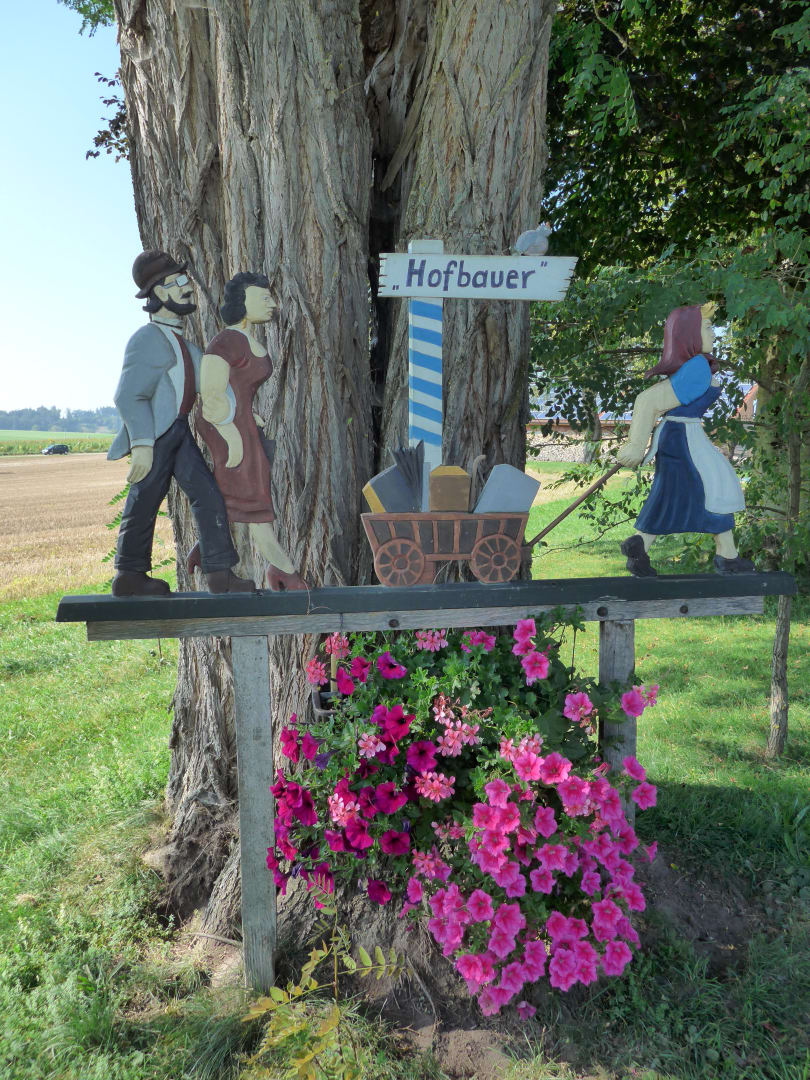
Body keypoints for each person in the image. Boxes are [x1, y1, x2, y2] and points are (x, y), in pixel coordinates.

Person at [108, 251, 255, 596]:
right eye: (178, 282)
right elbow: (128, 395)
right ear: (159, 293)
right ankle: (128, 575)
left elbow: (212, 384)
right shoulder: (146, 340)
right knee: (144, 499)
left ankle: (219, 574)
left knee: (208, 496)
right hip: (157, 435)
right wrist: (142, 444)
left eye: (185, 280)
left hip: (179, 431)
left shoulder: (185, 345)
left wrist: (237, 411)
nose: (188, 287)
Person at [616, 303, 754, 577]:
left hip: (681, 435)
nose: (713, 334)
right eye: (707, 327)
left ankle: (641, 545)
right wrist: (636, 445)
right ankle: (726, 556)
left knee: (678, 492)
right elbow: (648, 400)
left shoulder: (694, 366)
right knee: (713, 486)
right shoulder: (697, 367)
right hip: (682, 436)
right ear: (690, 333)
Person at [193, 271, 306, 590]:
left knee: (243, 493)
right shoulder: (225, 342)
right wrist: (231, 436)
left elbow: (237, 386)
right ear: (243, 302)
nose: (273, 304)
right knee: (252, 499)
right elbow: (211, 394)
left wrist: (248, 413)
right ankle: (285, 572)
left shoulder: (244, 339)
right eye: (264, 298)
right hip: (225, 426)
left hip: (241, 422)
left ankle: (206, 548)